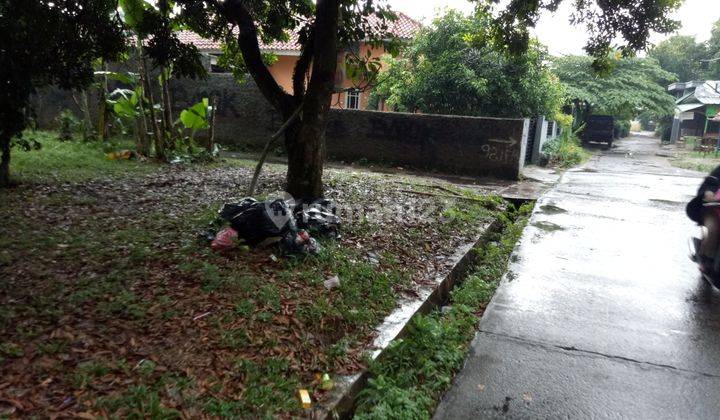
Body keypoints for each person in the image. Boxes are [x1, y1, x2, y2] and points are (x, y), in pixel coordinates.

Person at [687, 165, 720, 268]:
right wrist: (709, 193)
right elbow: (709, 184)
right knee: (713, 229)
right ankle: (706, 259)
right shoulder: (718, 172)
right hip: (713, 210)